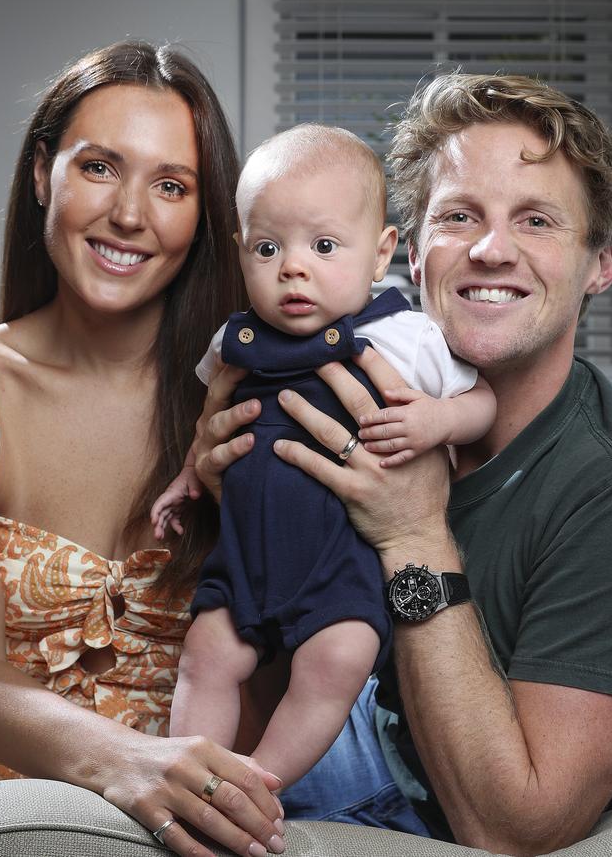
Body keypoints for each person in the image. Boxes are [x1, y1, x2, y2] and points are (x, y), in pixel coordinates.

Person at [188, 73, 612, 856]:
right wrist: (242, 502)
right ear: (411, 255)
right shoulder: (346, 373)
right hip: (325, 752)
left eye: (537, 219)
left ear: (601, 262)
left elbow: (520, 825)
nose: (492, 249)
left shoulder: (605, 485)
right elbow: (261, 707)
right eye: (460, 216)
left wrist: (415, 532)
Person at [0, 40, 287, 857]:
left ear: (205, 213)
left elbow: (294, 668)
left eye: (172, 186)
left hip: (212, 818)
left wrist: (251, 508)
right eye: (100, 167)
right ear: (44, 173)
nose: (131, 215)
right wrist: (122, 757)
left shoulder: (251, 397)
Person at [150, 123, 496, 789]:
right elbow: (208, 428)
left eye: (325, 245)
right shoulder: (237, 336)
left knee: (336, 661)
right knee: (204, 655)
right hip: (245, 552)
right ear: (240, 252)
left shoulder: (404, 335)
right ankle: (194, 776)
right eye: (268, 247)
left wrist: (440, 419)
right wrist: (186, 477)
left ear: (381, 253)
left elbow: (481, 403)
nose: (293, 267)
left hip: (340, 561)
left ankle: (258, 782)